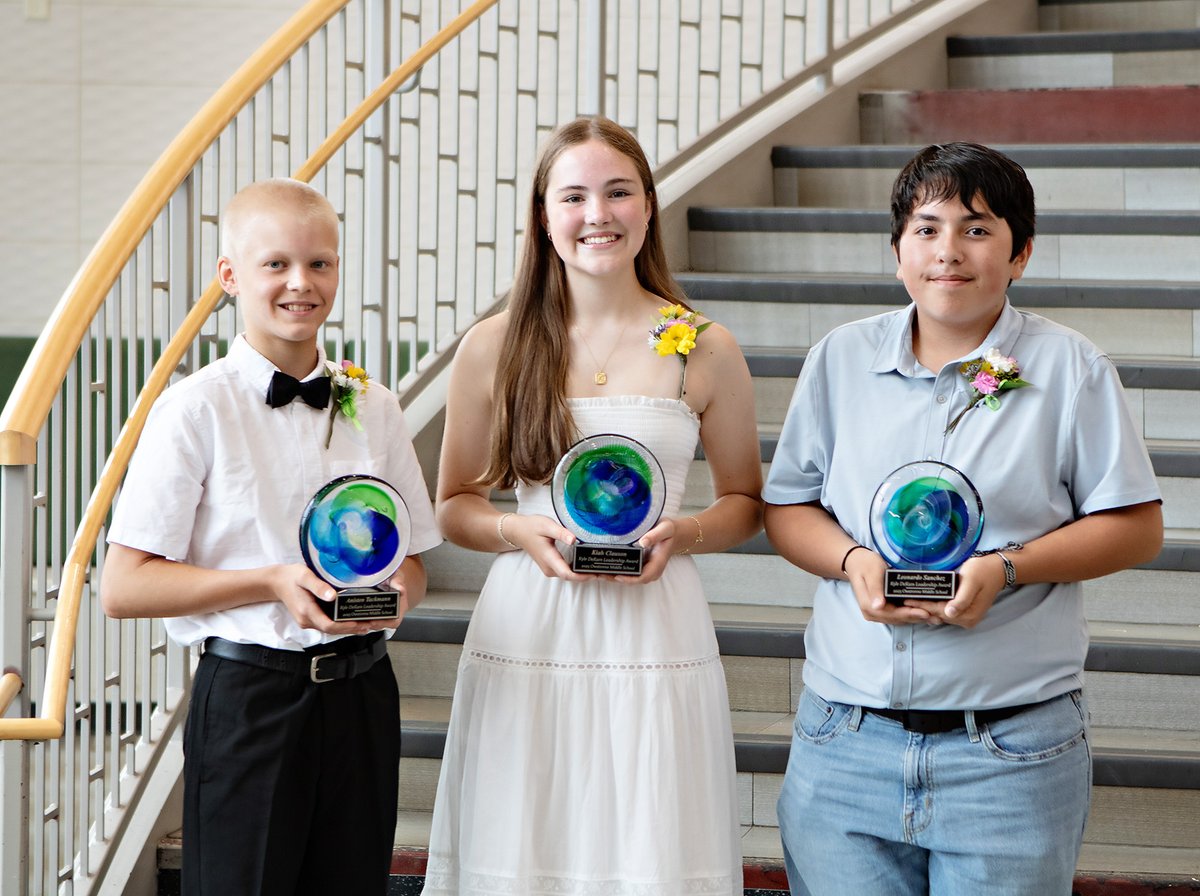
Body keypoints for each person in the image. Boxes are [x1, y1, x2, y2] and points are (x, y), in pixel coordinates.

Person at [763, 141, 1164, 895]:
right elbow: (788, 506)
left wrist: (1006, 568)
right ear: (897, 250)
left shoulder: (1069, 368)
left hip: (1009, 753)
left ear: (1022, 254)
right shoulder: (839, 359)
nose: (948, 251)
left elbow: (1136, 524)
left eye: (977, 229)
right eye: (927, 227)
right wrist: (854, 563)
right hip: (845, 744)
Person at [421, 116, 763, 896]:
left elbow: (745, 501)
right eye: (573, 196)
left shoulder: (705, 345)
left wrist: (689, 530)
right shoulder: (494, 344)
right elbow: (455, 505)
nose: (597, 214)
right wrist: (517, 529)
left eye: (618, 192)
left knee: (649, 846)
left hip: (655, 624)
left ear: (648, 206)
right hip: (532, 619)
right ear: (544, 216)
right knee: (526, 838)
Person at [100, 178, 442, 896]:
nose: (301, 283)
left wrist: (387, 596)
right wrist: (270, 582)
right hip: (251, 696)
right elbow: (124, 586)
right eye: (276, 264)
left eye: (320, 264)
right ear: (230, 278)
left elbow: (413, 563)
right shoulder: (195, 409)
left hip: (361, 695)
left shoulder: (371, 404)